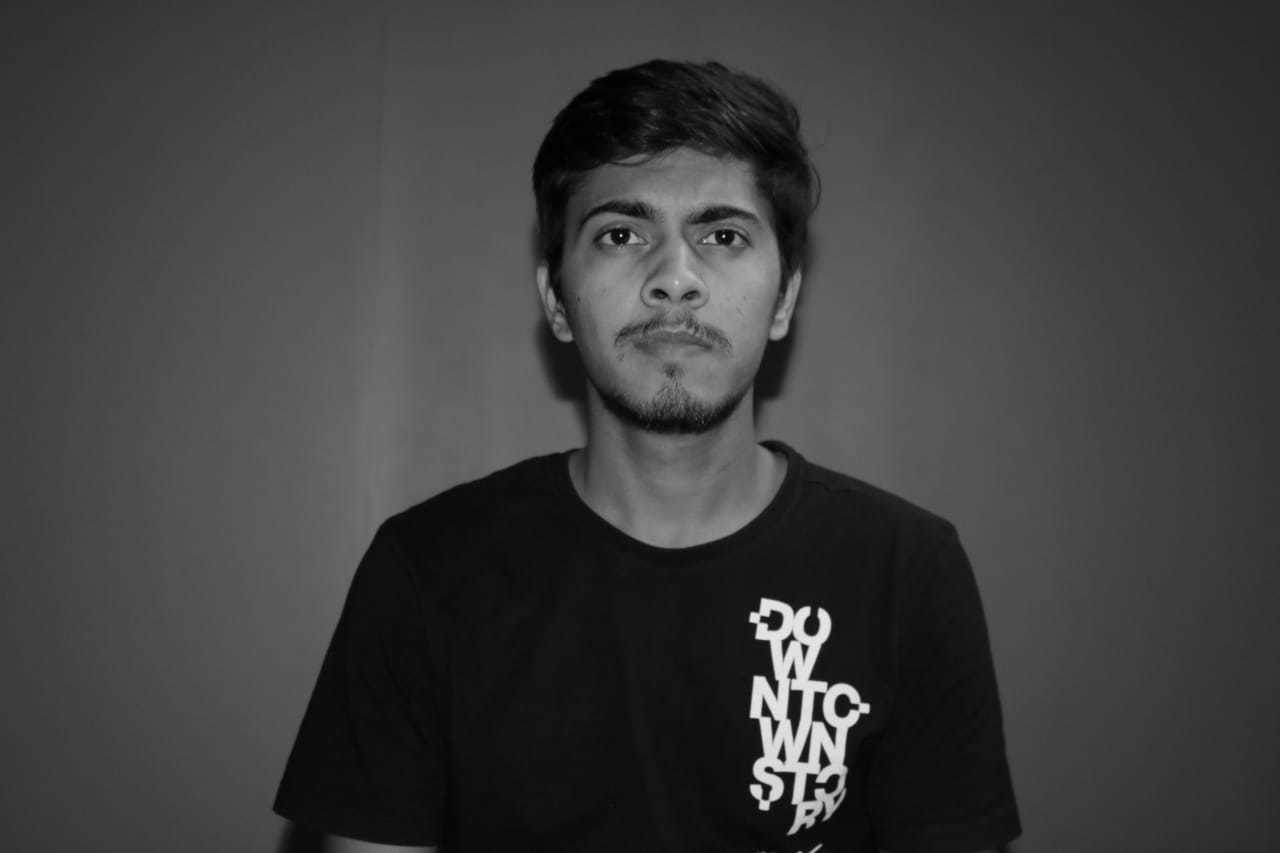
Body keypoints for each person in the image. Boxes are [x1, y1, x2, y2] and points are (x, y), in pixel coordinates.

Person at [274, 59, 1021, 852]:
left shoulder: (907, 572)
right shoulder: (426, 573)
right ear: (557, 299)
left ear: (785, 298)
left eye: (723, 235)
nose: (675, 278)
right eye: (622, 234)